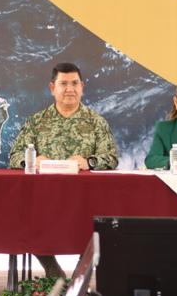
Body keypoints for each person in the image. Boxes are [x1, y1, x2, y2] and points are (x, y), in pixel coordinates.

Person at [10, 62, 119, 278]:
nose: (70, 89)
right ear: (52, 88)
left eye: (75, 83)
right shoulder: (36, 122)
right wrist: (33, 161)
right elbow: (15, 157)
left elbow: (111, 158)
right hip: (44, 198)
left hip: (85, 199)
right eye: (63, 84)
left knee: (100, 226)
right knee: (23, 219)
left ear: (82, 87)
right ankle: (53, 271)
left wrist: (88, 162)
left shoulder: (96, 122)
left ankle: (80, 274)